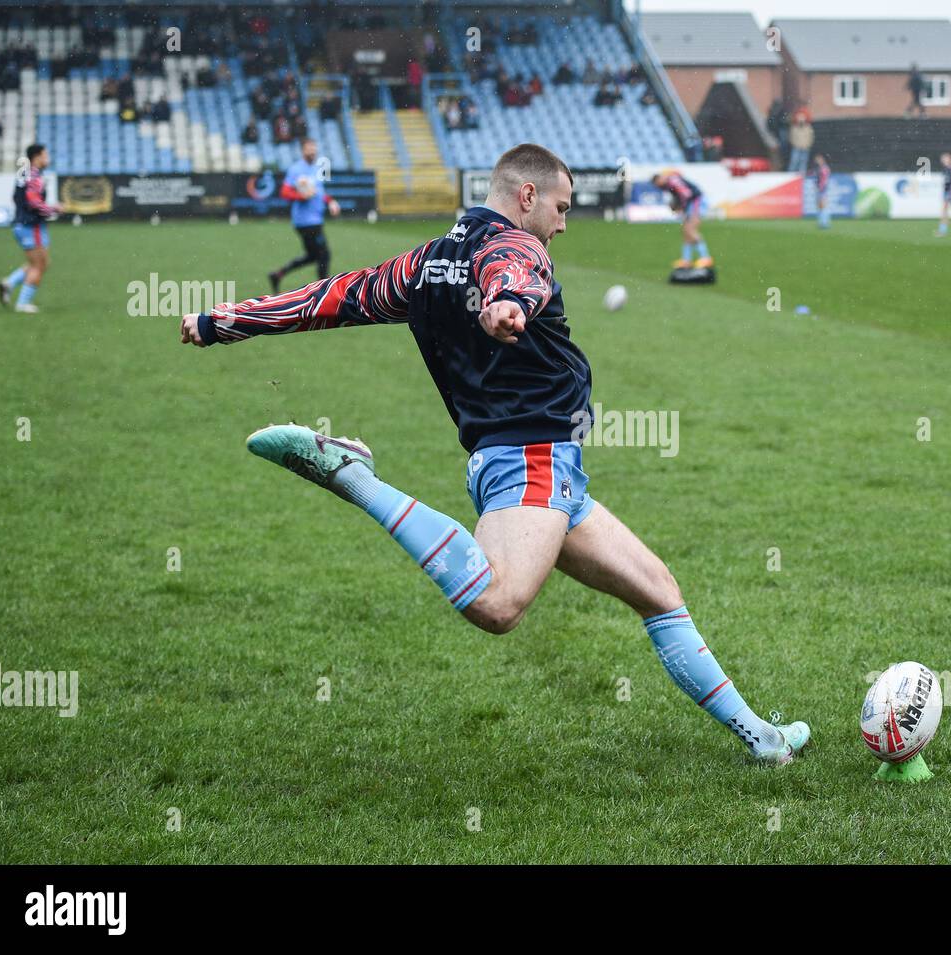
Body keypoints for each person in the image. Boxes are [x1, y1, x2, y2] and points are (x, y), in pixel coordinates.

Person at [178, 143, 809, 765]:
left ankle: (763, 737)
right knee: (499, 603)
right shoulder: (517, 246)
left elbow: (327, 299)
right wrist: (509, 302)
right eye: (561, 207)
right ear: (526, 196)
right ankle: (355, 477)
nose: (563, 224)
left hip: (524, 466)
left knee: (657, 589)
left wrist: (222, 321)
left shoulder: (421, 265)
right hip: (531, 458)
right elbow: (513, 270)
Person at [267, 137, 340, 292]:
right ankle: (324, 291)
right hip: (306, 221)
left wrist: (331, 201)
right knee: (324, 255)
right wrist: (301, 196)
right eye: (309, 148)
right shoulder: (296, 169)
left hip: (315, 219)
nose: (312, 151)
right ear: (303, 150)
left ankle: (278, 274)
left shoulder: (317, 168)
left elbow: (319, 192)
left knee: (313, 256)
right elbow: (284, 192)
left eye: (314, 148)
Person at [0, 144, 60, 314]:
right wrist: (54, 209)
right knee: (40, 265)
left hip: (20, 224)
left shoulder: (23, 174)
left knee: (37, 263)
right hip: (32, 226)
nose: (47, 158)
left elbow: (16, 197)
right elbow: (33, 202)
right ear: (37, 157)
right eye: (45, 155)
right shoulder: (35, 176)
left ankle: (9, 283)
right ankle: (23, 303)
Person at [651, 170, 711, 269]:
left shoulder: (672, 181)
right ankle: (686, 260)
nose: (658, 186)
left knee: (690, 230)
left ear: (659, 179)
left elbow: (686, 194)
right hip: (691, 203)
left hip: (696, 201)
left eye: (657, 184)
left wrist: (680, 206)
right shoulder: (668, 184)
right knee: (686, 231)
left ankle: (706, 258)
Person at [811, 154, 831, 229]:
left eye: (818, 159)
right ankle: (821, 222)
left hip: (822, 190)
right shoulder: (818, 168)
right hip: (819, 189)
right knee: (819, 207)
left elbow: (824, 180)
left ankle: (825, 223)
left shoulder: (824, 168)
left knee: (823, 206)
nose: (817, 161)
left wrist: (820, 188)